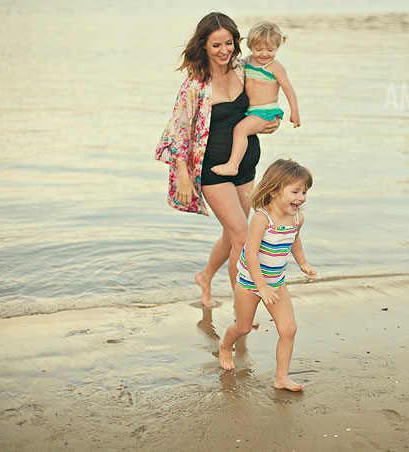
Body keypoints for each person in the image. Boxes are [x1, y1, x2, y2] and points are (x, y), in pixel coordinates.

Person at [155, 13, 279, 308]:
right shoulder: (195, 85)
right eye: (216, 45)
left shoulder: (241, 68)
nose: (224, 51)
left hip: (245, 166)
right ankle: (243, 308)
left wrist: (269, 121)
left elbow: (262, 99)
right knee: (243, 236)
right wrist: (184, 175)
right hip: (212, 171)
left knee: (232, 234)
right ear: (204, 46)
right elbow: (177, 132)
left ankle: (205, 276)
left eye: (229, 43)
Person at [218, 159, 316, 392]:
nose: (300, 198)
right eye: (295, 192)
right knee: (242, 328)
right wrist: (261, 287)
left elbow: (295, 240)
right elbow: (250, 254)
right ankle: (224, 345)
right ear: (274, 191)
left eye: (304, 192)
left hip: (276, 283)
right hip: (250, 283)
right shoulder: (262, 218)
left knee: (289, 329)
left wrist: (303, 263)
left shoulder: (297, 219)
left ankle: (281, 377)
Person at [210, 21, 300, 177]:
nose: (264, 54)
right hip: (251, 112)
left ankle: (233, 165)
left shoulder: (274, 67)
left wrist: (295, 112)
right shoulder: (246, 62)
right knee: (241, 129)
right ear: (250, 47)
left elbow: (288, 89)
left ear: (277, 48)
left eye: (270, 50)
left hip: (266, 111)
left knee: (240, 129)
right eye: (259, 49)